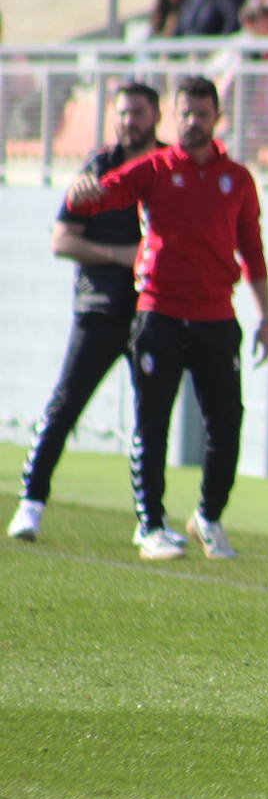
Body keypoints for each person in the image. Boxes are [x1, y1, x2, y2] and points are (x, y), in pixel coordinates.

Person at [64, 75, 268, 561]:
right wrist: (80, 189)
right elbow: (99, 195)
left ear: (217, 117)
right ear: (173, 117)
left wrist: (266, 317)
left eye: (203, 114)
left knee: (226, 424)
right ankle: (151, 524)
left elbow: (253, 250)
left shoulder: (237, 179)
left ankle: (208, 517)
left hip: (217, 317)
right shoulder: (155, 168)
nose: (194, 122)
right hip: (159, 313)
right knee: (152, 420)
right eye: (186, 114)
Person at [7, 84, 165, 543]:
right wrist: (121, 255)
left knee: (151, 419)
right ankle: (30, 505)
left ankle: (150, 522)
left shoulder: (169, 167)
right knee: (65, 405)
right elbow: (62, 240)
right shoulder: (98, 168)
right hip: (98, 311)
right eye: (122, 113)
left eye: (137, 112)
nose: (128, 121)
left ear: (155, 115)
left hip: (153, 314)